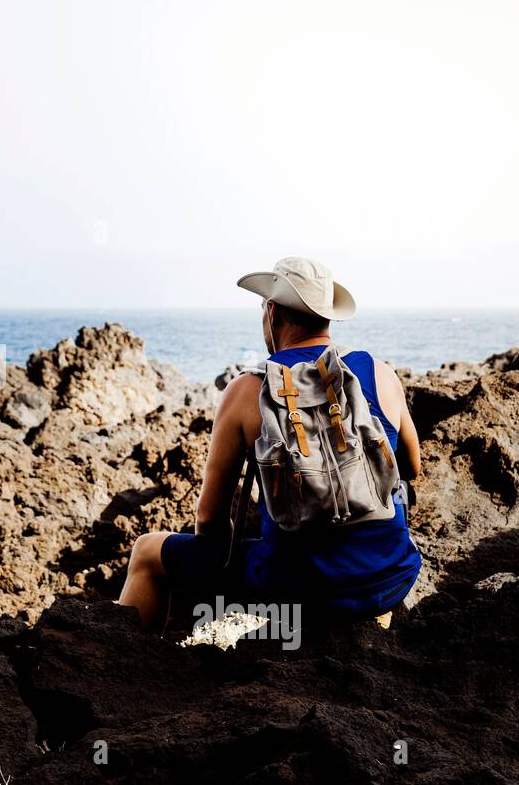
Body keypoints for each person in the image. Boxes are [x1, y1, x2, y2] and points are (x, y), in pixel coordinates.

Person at [118, 256, 423, 633]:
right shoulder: (381, 374)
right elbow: (411, 467)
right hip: (391, 578)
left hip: (297, 593)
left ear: (272, 312)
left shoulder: (247, 390)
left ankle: (134, 669)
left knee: (148, 552)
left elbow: (210, 520)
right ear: (329, 317)